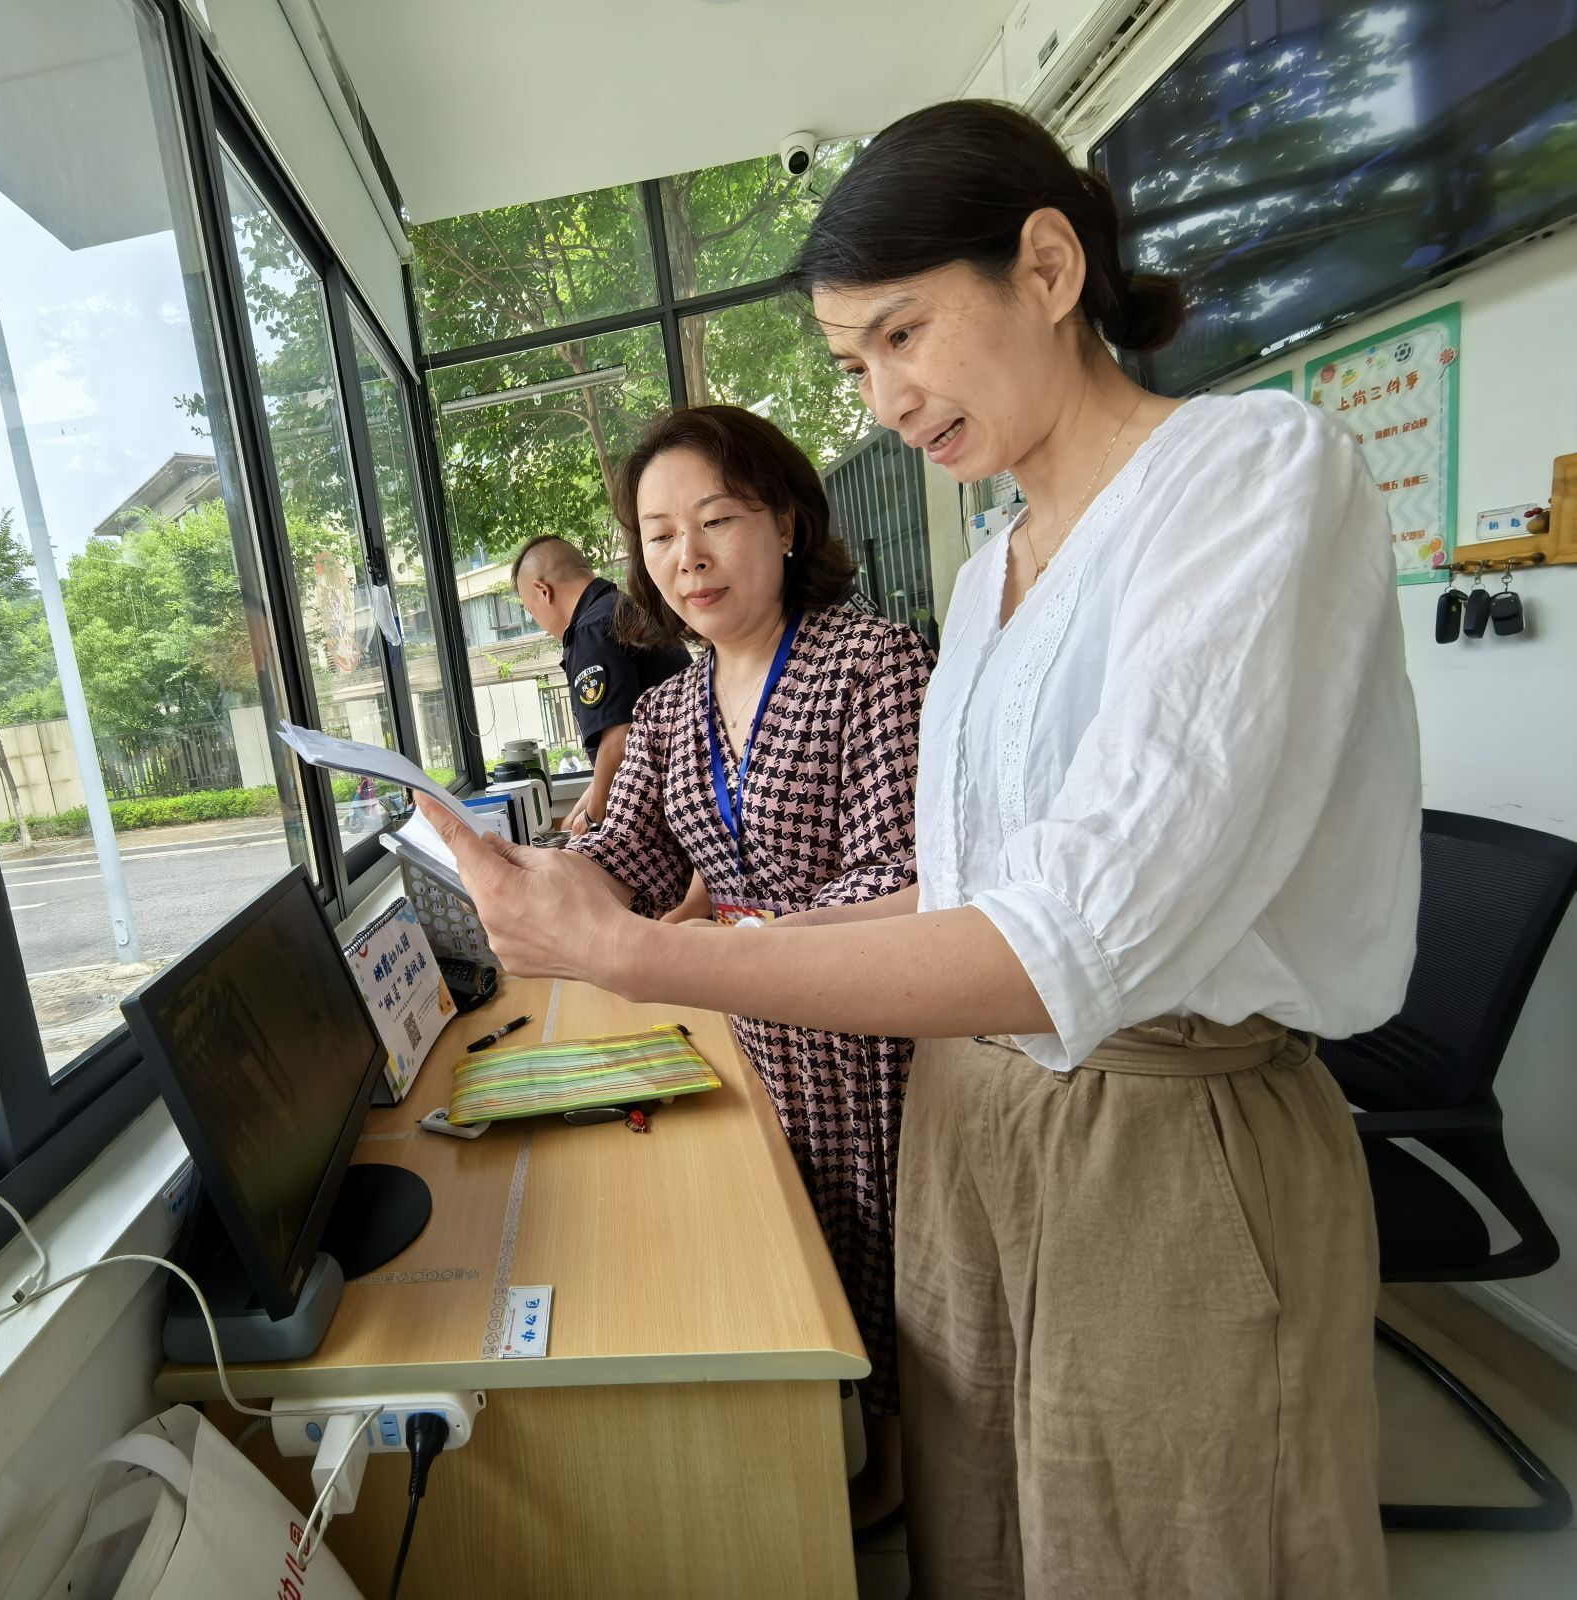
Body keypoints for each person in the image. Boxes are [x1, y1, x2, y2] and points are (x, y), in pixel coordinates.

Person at [421, 99, 1416, 1600]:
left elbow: (1064, 937)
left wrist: (646, 955)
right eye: (852, 364)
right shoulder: (988, 570)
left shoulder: (1248, 478)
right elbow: (955, 891)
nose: (884, 397)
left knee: (1167, 1543)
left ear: (1048, 267)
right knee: (990, 1535)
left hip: (1154, 1130)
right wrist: (653, 922)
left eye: (902, 334)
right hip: (964, 1117)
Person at [563, 404, 932, 1529]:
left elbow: (903, 870)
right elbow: (621, 856)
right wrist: (524, 876)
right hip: (753, 1035)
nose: (688, 557)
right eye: (660, 535)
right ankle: (829, 1453)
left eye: (716, 519)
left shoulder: (872, 661)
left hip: (877, 1039)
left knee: (888, 1262)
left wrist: (735, 943)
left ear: (783, 522)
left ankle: (907, 1469)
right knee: (789, 1253)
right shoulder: (670, 707)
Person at [509, 535, 689, 833]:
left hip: (667, 811)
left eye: (531, 610)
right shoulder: (622, 608)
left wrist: (592, 818)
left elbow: (619, 739)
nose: (539, 622)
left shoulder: (591, 631)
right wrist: (574, 816)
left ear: (543, 591)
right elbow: (618, 749)